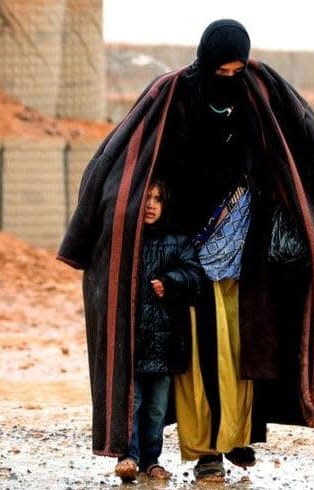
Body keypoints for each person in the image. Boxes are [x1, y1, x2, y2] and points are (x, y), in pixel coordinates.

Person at [57, 18, 314, 483]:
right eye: (222, 70)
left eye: (236, 71)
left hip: (245, 250)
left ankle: (236, 438)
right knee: (195, 359)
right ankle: (204, 451)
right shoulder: (171, 94)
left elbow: (303, 128)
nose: (230, 79)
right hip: (187, 250)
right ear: (206, 60)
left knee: (242, 350)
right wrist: (91, 229)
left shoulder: (261, 89)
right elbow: (119, 152)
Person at [113, 179, 202, 483]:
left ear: (167, 204)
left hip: (164, 342)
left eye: (158, 199)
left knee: (156, 408)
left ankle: (152, 460)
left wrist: (172, 281)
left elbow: (195, 277)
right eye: (146, 197)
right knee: (133, 402)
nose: (151, 204)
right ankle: (130, 456)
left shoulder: (179, 241)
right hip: (134, 341)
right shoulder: (126, 240)